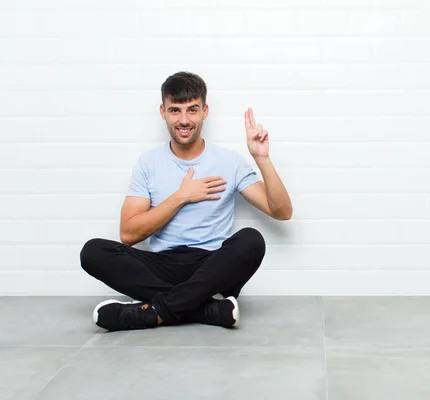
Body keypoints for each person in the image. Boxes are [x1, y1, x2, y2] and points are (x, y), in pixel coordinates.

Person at [79, 71, 292, 332]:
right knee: (93, 251)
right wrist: (181, 197)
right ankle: (205, 309)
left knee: (251, 240)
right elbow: (128, 234)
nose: (184, 120)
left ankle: (155, 311)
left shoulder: (230, 162)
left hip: (213, 268)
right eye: (175, 110)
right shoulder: (148, 163)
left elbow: (281, 212)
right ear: (163, 112)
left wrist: (262, 159)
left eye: (192, 110)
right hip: (161, 266)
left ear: (205, 111)